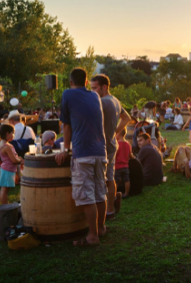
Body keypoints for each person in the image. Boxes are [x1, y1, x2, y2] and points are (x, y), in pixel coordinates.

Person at [55, 68, 107, 246]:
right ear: (86, 82)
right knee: (100, 193)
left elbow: (66, 126)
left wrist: (65, 149)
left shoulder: (67, 94)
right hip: (101, 152)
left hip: (83, 153)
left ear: (71, 82)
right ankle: (101, 228)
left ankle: (92, 236)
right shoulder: (95, 96)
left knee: (87, 196)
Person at [90, 74, 131, 219]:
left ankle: (102, 212)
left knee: (101, 180)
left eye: (95, 88)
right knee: (110, 178)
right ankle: (110, 210)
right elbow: (127, 118)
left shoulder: (102, 102)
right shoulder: (115, 100)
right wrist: (115, 132)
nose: (92, 91)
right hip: (112, 144)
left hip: (102, 146)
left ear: (104, 87)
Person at [0, 124, 22, 205]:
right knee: (5, 190)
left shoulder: (4, 143)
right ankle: (4, 206)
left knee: (5, 189)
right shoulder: (6, 147)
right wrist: (20, 160)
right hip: (7, 170)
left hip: (8, 169)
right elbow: (14, 160)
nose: (14, 135)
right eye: (13, 133)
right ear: (7, 133)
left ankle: (4, 205)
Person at [114, 128, 133, 197]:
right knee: (127, 180)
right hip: (125, 166)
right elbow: (130, 155)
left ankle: (114, 194)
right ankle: (126, 193)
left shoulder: (117, 144)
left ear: (118, 134)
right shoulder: (127, 144)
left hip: (117, 166)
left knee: (115, 181)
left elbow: (114, 155)